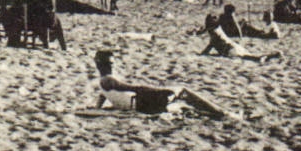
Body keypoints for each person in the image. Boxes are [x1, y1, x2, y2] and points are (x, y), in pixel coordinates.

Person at [91, 49, 225, 118]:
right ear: (101, 64)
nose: (112, 66)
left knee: (182, 101)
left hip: (138, 104)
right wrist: (160, 90)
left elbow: (103, 95)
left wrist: (97, 108)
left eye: (112, 63)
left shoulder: (103, 80)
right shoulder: (109, 79)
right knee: (183, 91)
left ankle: (209, 112)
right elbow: (136, 88)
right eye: (110, 64)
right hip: (141, 104)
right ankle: (219, 112)